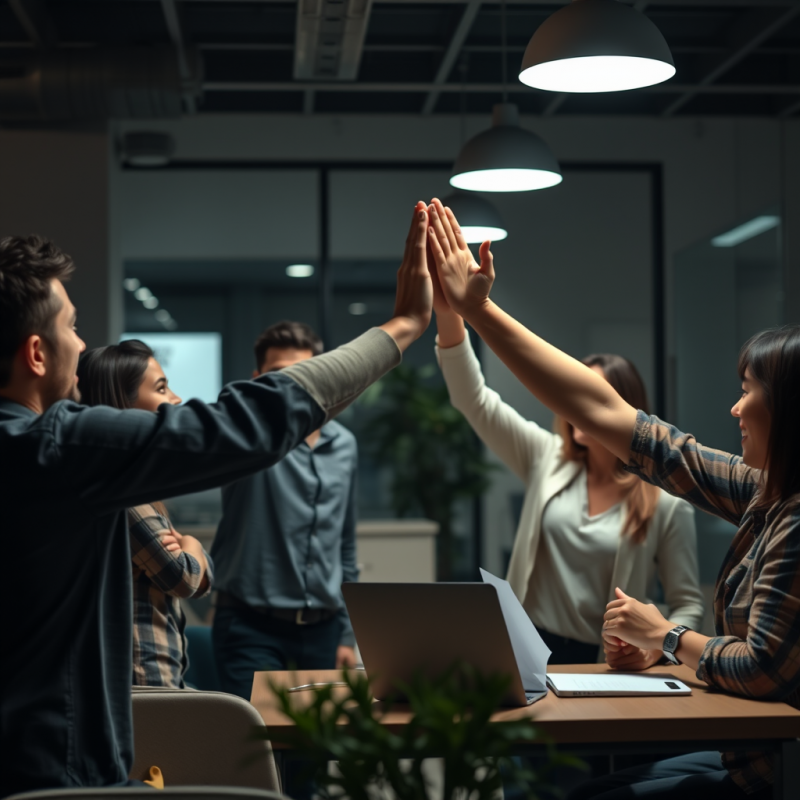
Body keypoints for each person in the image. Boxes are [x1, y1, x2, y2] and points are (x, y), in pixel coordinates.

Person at [0, 202, 432, 798]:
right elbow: (242, 424)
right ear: (37, 353)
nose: (82, 343)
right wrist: (403, 326)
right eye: (72, 326)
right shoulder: (57, 448)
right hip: (55, 777)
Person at [426, 196, 794, 799]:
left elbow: (755, 662)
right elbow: (595, 413)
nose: (734, 408)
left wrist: (664, 640)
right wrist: (472, 313)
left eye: (747, 391)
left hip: (725, 745)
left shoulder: (773, 512)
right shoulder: (761, 493)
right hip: (548, 668)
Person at [434, 302, 703, 664]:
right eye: (573, 392)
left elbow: (688, 604)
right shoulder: (548, 458)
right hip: (526, 650)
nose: (577, 405)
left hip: (603, 663)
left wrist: (655, 650)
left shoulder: (665, 503)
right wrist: (449, 310)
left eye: (591, 395)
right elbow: (474, 399)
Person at [211, 320, 359, 699]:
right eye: (279, 376)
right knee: (256, 755)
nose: (294, 385)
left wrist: (345, 632)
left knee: (315, 756)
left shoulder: (344, 445)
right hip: (250, 627)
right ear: (258, 379)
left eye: (305, 373)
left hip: (324, 632)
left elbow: (344, 545)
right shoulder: (247, 435)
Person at [77, 339, 214, 688]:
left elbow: (201, 582)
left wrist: (190, 557)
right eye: (162, 388)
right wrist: (193, 545)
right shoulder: (123, 496)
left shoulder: (134, 488)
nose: (177, 399)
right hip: (145, 684)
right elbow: (183, 578)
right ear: (123, 405)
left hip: (156, 682)